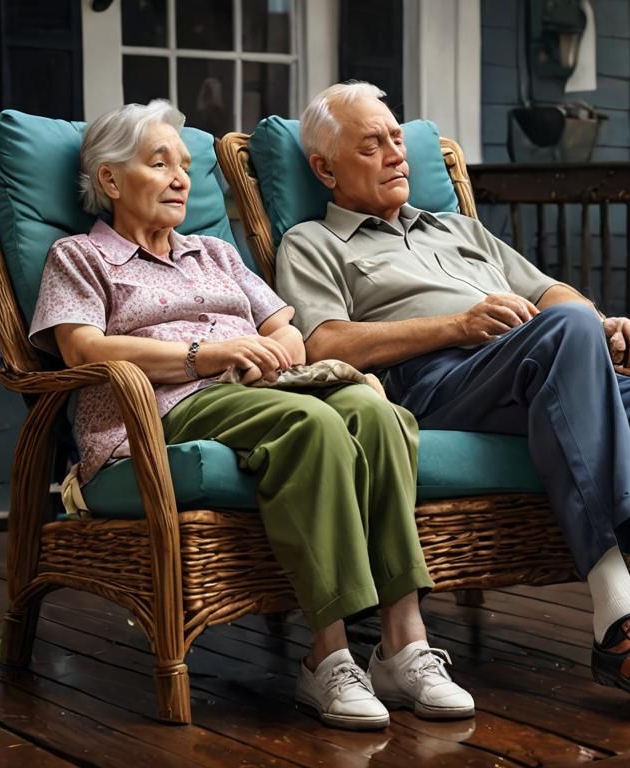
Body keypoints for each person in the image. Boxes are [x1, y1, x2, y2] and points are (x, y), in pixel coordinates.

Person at [275, 82, 630, 705]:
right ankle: (619, 616)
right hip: (439, 384)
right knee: (569, 334)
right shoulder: (313, 242)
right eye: (372, 145)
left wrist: (605, 322)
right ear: (325, 168)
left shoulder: (458, 229)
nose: (396, 155)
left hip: (544, 370)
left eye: (396, 139)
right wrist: (456, 326)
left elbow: (555, 295)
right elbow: (322, 344)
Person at [28, 99, 473, 730]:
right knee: (313, 425)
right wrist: (204, 355)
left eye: (185, 165)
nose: (182, 178)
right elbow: (83, 348)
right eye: (160, 164)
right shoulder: (81, 256)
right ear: (109, 179)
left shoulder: (215, 252)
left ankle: (404, 643)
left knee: (381, 418)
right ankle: (328, 657)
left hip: (259, 392)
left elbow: (289, 332)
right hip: (163, 409)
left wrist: (270, 354)